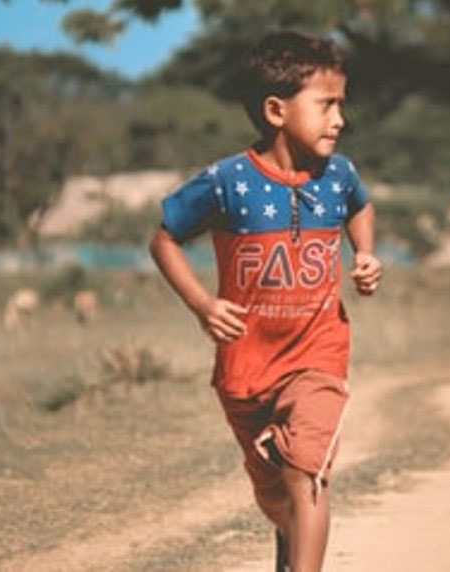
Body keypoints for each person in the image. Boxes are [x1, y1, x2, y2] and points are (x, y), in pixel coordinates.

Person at [148, 30, 381, 571]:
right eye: (326, 105)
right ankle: (287, 529)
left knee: (307, 473)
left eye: (341, 104)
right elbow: (163, 240)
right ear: (276, 110)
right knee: (275, 496)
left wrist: (365, 253)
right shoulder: (227, 182)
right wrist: (203, 306)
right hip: (246, 366)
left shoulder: (339, 175)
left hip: (319, 353)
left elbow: (360, 206)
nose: (340, 119)